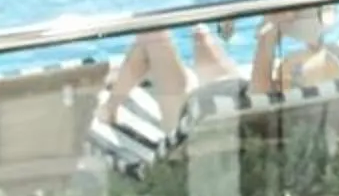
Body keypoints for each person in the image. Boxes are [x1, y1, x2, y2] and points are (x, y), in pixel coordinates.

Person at [101, 18, 246, 143]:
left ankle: (110, 109)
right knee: (200, 34)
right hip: (237, 111)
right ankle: (117, 97)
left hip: (197, 131)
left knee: (151, 33)